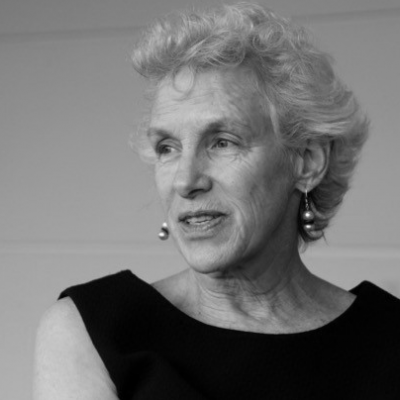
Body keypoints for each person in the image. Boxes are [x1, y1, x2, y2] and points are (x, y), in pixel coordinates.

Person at [33, 3, 400, 399]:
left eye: (223, 142)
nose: (186, 181)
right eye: (168, 147)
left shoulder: (390, 339)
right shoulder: (96, 330)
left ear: (307, 162)